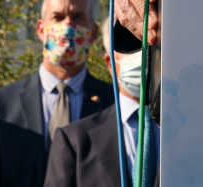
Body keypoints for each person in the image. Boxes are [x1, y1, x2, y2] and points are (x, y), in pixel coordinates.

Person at [0, 0, 114, 187]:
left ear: (93, 33)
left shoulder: (114, 104)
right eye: (58, 18)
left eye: (78, 18)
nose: (68, 26)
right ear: (41, 30)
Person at [44, 24, 159, 187]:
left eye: (152, 41)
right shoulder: (74, 140)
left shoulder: (197, 133)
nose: (142, 54)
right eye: (129, 42)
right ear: (110, 63)